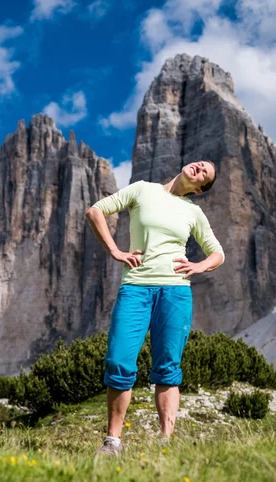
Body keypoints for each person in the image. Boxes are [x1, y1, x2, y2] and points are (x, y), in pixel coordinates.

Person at [85, 161, 225, 456]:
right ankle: (113, 441)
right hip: (135, 288)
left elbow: (218, 253)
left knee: (168, 367)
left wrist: (199, 266)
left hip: (175, 293)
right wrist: (115, 251)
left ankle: (166, 443)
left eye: (204, 174)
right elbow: (95, 211)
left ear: (199, 189)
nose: (199, 168)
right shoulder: (142, 190)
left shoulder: (193, 212)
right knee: (119, 361)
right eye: (200, 164)